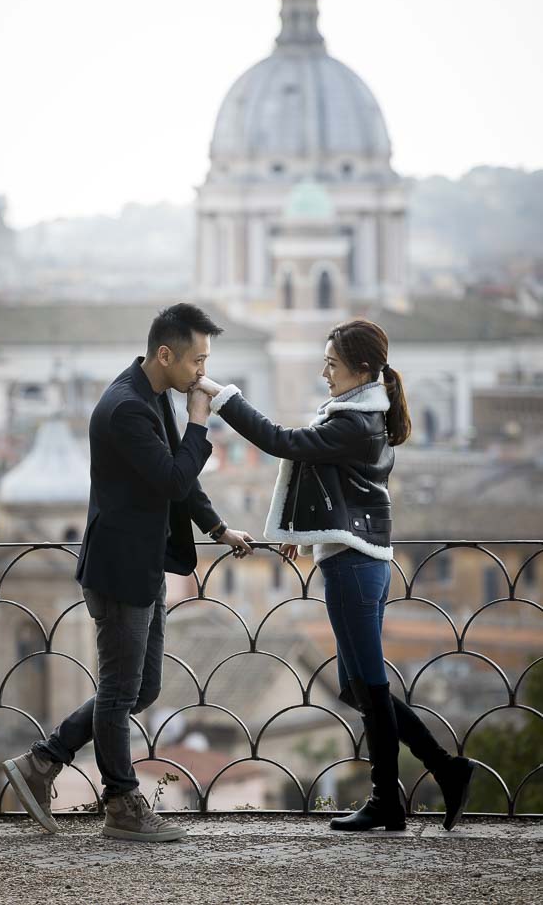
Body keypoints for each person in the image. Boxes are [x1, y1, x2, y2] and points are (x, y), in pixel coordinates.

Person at [193, 318, 476, 832]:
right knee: (356, 686)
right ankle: (442, 770)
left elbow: (282, 442)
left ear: (362, 370)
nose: (325, 372)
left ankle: (393, 798)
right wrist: (299, 529)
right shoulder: (360, 415)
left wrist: (220, 395)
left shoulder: (353, 422)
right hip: (357, 560)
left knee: (368, 683)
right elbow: (331, 480)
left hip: (353, 566)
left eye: (332, 364)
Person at [2, 303, 254, 841]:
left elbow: (181, 485)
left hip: (142, 567)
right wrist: (200, 422)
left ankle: (41, 762)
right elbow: (172, 477)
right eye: (197, 361)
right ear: (166, 354)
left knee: (141, 689)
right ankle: (122, 805)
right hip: (119, 572)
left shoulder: (151, 395)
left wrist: (218, 529)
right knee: (120, 692)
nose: (202, 374)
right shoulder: (127, 409)